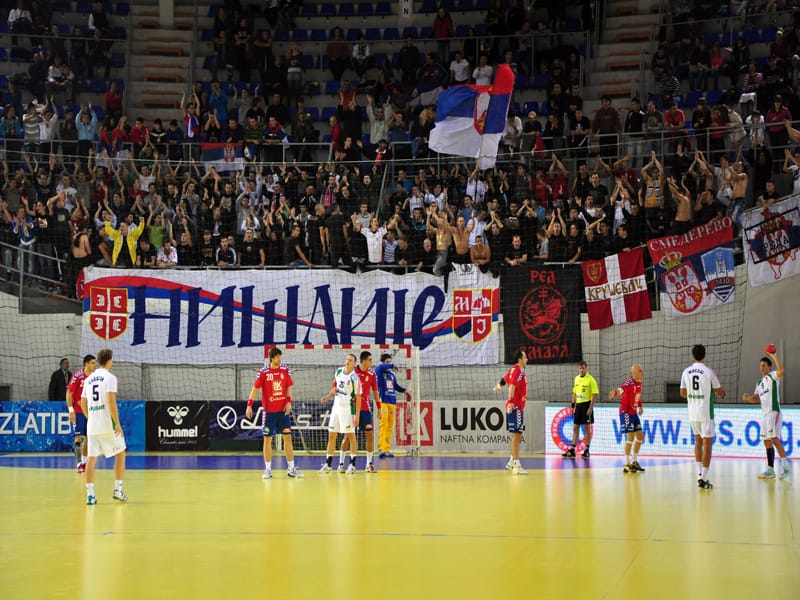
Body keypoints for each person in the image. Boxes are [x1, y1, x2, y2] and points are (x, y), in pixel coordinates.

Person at [245, 346, 303, 479]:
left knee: (287, 438)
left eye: (280, 356)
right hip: (269, 412)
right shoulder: (263, 372)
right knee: (267, 439)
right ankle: (268, 470)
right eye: (277, 357)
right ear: (272, 358)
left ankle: (291, 468)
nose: (280, 359)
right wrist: (249, 405)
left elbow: (288, 387)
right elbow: (255, 389)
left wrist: (289, 402)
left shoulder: (285, 369)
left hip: (283, 412)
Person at [80, 348, 127, 505]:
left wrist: (90, 417)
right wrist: (117, 424)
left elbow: (82, 403)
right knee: (120, 454)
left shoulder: (88, 379)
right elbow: (111, 401)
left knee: (91, 459)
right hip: (107, 425)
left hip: (92, 426)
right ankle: (118, 490)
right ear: (110, 360)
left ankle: (90, 495)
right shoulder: (110, 378)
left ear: (99, 361)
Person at [680, 344, 726, 490]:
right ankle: (704, 478)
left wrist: (693, 396)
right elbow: (720, 391)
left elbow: (682, 393)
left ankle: (699, 474)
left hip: (692, 413)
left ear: (693, 356)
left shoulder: (686, 371)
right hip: (706, 413)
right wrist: (722, 394)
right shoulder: (709, 371)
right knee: (707, 445)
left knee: (698, 442)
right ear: (704, 355)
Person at [743, 350, 791, 480]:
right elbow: (755, 398)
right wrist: (748, 398)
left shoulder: (772, 376)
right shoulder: (759, 382)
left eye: (764, 365)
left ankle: (786, 467)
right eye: (760, 365)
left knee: (774, 438)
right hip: (764, 415)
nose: (762, 367)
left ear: (769, 367)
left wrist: (774, 356)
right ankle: (770, 470)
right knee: (766, 441)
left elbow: (782, 371)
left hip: (773, 412)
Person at [320, 354, 361, 474]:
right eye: (347, 359)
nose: (348, 361)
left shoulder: (355, 379)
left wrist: (357, 416)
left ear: (354, 364)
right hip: (336, 408)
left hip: (348, 409)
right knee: (332, 435)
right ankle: (328, 464)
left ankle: (352, 465)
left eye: (350, 360)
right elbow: (335, 385)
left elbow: (358, 399)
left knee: (351, 436)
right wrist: (327, 396)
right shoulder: (338, 371)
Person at [492, 348, 528, 476]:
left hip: (516, 406)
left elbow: (504, 380)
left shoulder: (513, 370)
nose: (527, 359)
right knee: (517, 435)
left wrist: (497, 387)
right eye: (525, 357)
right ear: (520, 359)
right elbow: (512, 386)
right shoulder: (518, 371)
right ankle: (517, 466)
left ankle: (512, 461)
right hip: (516, 407)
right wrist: (511, 401)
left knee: (517, 434)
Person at [344, 351, 380, 473]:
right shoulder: (352, 371)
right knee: (348, 436)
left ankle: (369, 464)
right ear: (363, 361)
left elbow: (375, 392)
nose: (371, 362)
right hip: (351, 408)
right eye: (370, 360)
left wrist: (379, 408)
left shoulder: (372, 374)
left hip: (365, 408)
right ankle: (345, 463)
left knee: (369, 434)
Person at [609, 364, 645, 473]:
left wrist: (640, 406)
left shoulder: (639, 382)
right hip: (626, 413)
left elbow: (637, 395)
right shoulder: (629, 383)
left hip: (634, 412)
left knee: (640, 437)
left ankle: (634, 461)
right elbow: (621, 389)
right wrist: (615, 393)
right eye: (640, 371)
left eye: (642, 370)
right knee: (630, 438)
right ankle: (626, 464)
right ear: (634, 373)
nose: (642, 373)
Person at [66, 354, 96, 474]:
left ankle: (84, 461)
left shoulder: (95, 376)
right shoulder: (78, 375)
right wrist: (71, 410)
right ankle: (79, 463)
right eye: (93, 363)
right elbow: (69, 393)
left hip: (90, 411)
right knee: (78, 437)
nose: (95, 365)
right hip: (78, 410)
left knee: (89, 437)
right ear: (86, 364)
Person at [374, 352, 407, 458]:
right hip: (383, 401)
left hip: (392, 402)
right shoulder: (379, 371)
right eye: (387, 362)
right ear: (383, 363)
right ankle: (381, 449)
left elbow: (395, 386)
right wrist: (392, 365)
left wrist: (404, 390)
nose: (389, 364)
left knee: (389, 427)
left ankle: (386, 449)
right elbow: (381, 367)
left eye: (390, 362)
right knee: (383, 425)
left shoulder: (392, 374)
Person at [563, 361, 599, 458]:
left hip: (587, 405)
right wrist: (572, 406)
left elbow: (594, 394)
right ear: (578, 369)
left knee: (587, 428)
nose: (581, 370)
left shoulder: (591, 379)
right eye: (580, 368)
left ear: (586, 368)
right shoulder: (576, 379)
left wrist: (590, 407)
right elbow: (574, 393)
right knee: (575, 427)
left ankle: (587, 450)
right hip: (578, 406)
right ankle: (572, 450)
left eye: (583, 368)